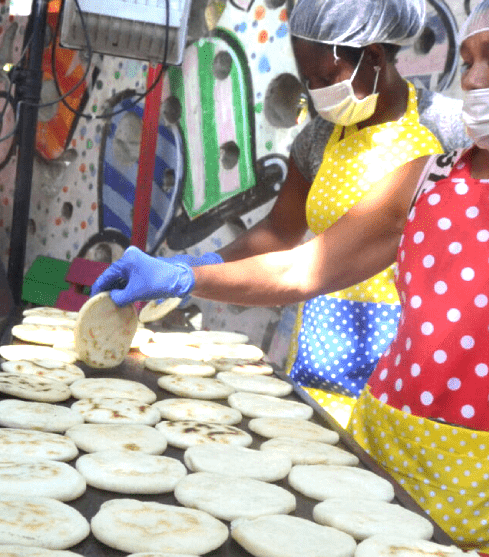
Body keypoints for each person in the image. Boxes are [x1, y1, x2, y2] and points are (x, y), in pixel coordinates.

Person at [93, 0, 489, 555]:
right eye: (468, 62)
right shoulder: (425, 179)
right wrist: (185, 275)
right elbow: (303, 266)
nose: (475, 81)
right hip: (385, 465)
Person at [169, 0, 468, 425]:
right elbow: (279, 231)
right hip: (323, 355)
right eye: (309, 79)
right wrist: (201, 266)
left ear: (375, 56)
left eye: (328, 77)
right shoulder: (317, 139)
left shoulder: (448, 131)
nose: (316, 91)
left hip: (412, 364)